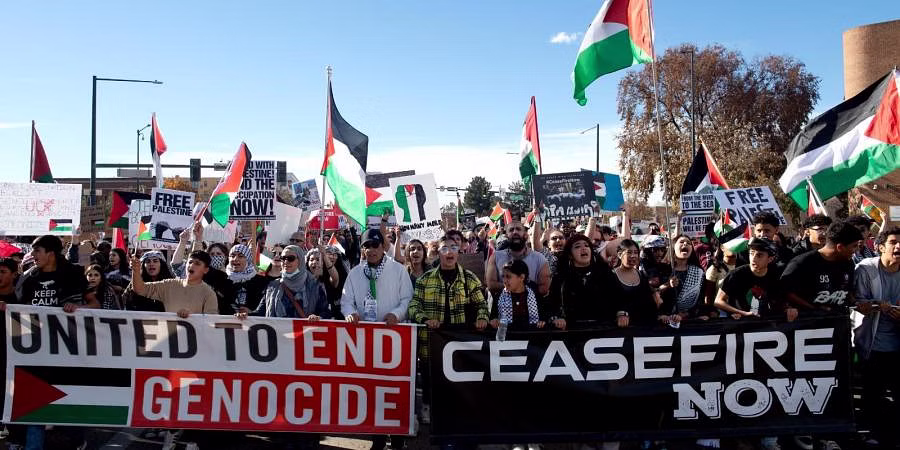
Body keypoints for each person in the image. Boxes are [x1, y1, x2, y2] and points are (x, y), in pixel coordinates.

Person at [408, 234, 489, 435]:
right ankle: (427, 406)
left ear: (458, 251)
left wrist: (481, 318)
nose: (449, 252)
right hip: (431, 341)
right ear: (438, 253)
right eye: (444, 249)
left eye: (453, 248)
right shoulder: (425, 279)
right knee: (429, 377)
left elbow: (481, 305)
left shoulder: (469, 278)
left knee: (458, 380)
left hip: (459, 343)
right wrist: (425, 319)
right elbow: (413, 306)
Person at [853, 226, 900, 448]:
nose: (898, 247)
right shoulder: (866, 269)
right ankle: (873, 435)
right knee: (873, 393)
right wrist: (875, 305)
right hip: (871, 344)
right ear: (880, 247)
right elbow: (857, 304)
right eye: (893, 242)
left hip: (898, 344)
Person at [782, 221, 861, 321]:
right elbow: (786, 292)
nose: (857, 250)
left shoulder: (848, 264)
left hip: (840, 326)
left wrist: (857, 304)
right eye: (854, 246)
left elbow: (847, 292)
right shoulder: (802, 262)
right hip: (807, 327)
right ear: (840, 247)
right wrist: (815, 308)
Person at [547, 234, 624, 329]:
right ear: (570, 255)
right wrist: (556, 318)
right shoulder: (560, 277)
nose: (583, 248)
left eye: (587, 245)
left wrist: (621, 314)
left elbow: (619, 297)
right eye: (577, 246)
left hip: (604, 329)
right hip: (572, 331)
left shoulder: (605, 273)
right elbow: (551, 304)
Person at [341, 228, 412, 325]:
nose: (371, 250)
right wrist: (350, 313)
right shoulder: (354, 273)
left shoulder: (399, 270)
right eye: (366, 246)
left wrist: (396, 314)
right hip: (362, 332)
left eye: (375, 245)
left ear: (383, 247)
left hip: (392, 332)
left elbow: (407, 299)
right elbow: (346, 301)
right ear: (363, 250)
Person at [247, 245, 330, 320]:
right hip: (278, 335)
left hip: (304, 335)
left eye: (290, 258)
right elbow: (260, 312)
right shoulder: (273, 286)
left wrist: (317, 317)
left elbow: (325, 312)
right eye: (283, 258)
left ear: (300, 260)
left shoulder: (314, 285)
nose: (286, 262)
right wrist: (245, 316)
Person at [16, 235, 94, 312]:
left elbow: (95, 304)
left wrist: (78, 308)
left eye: (37, 250)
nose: (32, 254)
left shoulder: (74, 275)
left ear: (51, 254)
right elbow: (16, 304)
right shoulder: (27, 277)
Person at [130, 250, 218, 318]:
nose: (191, 266)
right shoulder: (169, 285)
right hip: (169, 339)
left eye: (197, 264)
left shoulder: (209, 294)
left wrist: (191, 317)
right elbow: (140, 289)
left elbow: (210, 322)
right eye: (190, 262)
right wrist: (136, 271)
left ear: (206, 270)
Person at [714, 238, 784, 320]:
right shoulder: (736, 274)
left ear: (770, 259)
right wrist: (743, 313)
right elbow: (718, 301)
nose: (753, 259)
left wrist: (788, 308)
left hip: (765, 325)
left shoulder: (775, 274)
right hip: (740, 324)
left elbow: (779, 300)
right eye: (751, 253)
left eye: (759, 255)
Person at [485, 221, 551, 297]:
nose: (515, 232)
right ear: (506, 236)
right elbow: (491, 285)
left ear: (525, 235)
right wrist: (519, 287)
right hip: (504, 307)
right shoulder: (496, 257)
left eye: (518, 229)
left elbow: (544, 288)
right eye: (511, 230)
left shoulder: (539, 258)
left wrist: (514, 287)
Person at [659, 234, 714, 323]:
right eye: (681, 242)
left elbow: (700, 300)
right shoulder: (662, 270)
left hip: (689, 321)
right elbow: (654, 294)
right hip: (665, 320)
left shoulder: (699, 273)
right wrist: (667, 286)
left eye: (688, 243)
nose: (685, 244)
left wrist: (686, 314)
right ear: (673, 247)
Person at [612, 239, 660, 326]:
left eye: (635, 252)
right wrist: (620, 313)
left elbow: (648, 302)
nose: (633, 256)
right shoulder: (611, 276)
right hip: (620, 329)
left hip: (642, 326)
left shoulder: (641, 275)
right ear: (619, 255)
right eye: (629, 252)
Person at [489, 259, 548, 328]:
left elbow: (545, 317)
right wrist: (494, 321)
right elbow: (492, 318)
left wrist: (542, 322)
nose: (504, 281)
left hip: (531, 335)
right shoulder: (499, 296)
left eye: (508, 277)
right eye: (503, 276)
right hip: (507, 336)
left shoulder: (535, 295)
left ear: (522, 277)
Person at [225, 244, 272, 315]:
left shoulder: (261, 281)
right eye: (232, 256)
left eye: (240, 256)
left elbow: (265, 308)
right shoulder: (223, 279)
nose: (235, 259)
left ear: (248, 259)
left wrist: (251, 312)